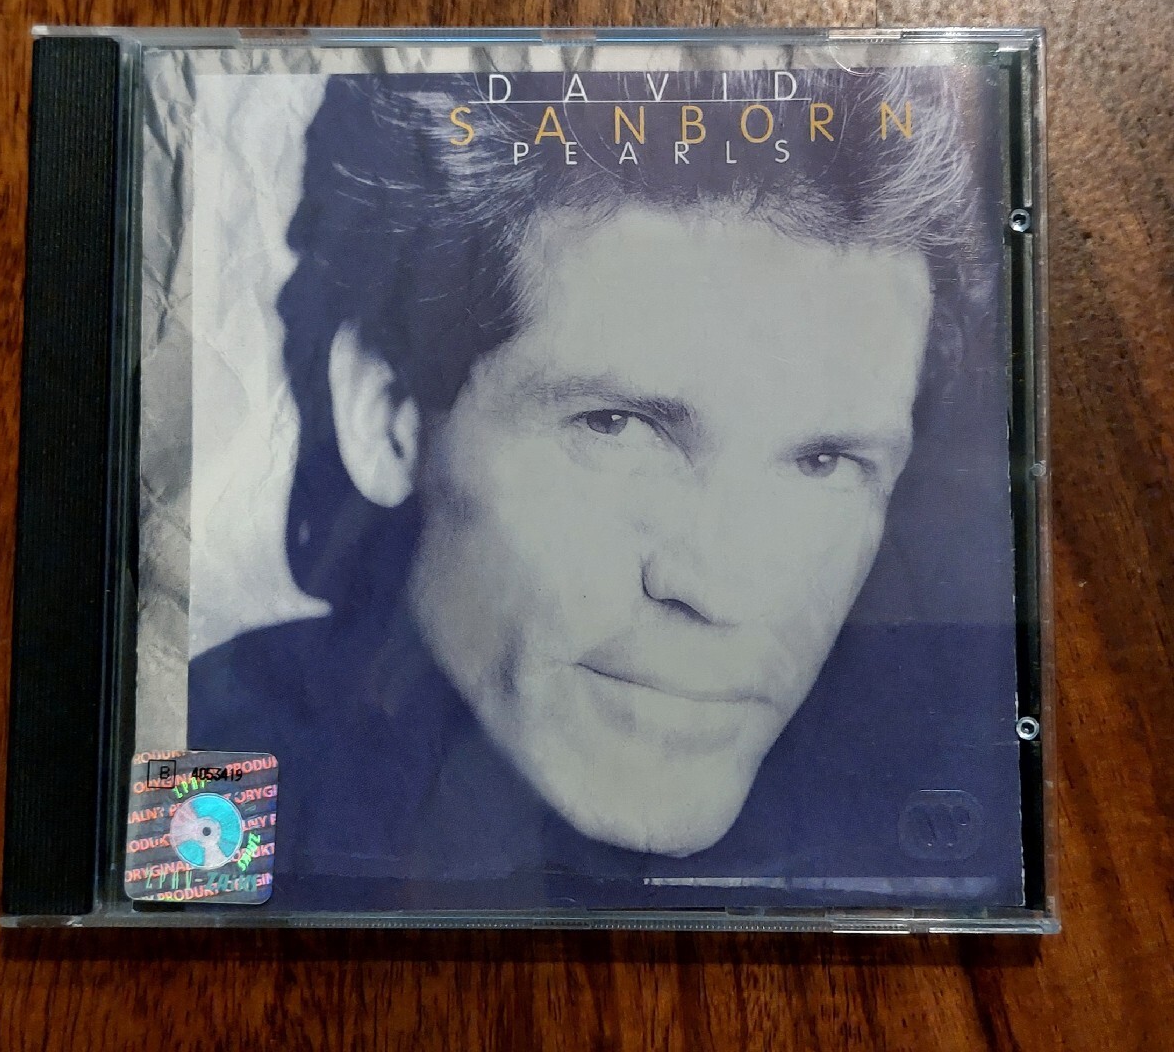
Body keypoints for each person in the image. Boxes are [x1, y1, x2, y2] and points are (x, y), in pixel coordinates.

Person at [188, 66, 1024, 911]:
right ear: (387, 416)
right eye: (616, 427)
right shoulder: (195, 780)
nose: (728, 590)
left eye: (824, 462)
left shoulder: (955, 830)